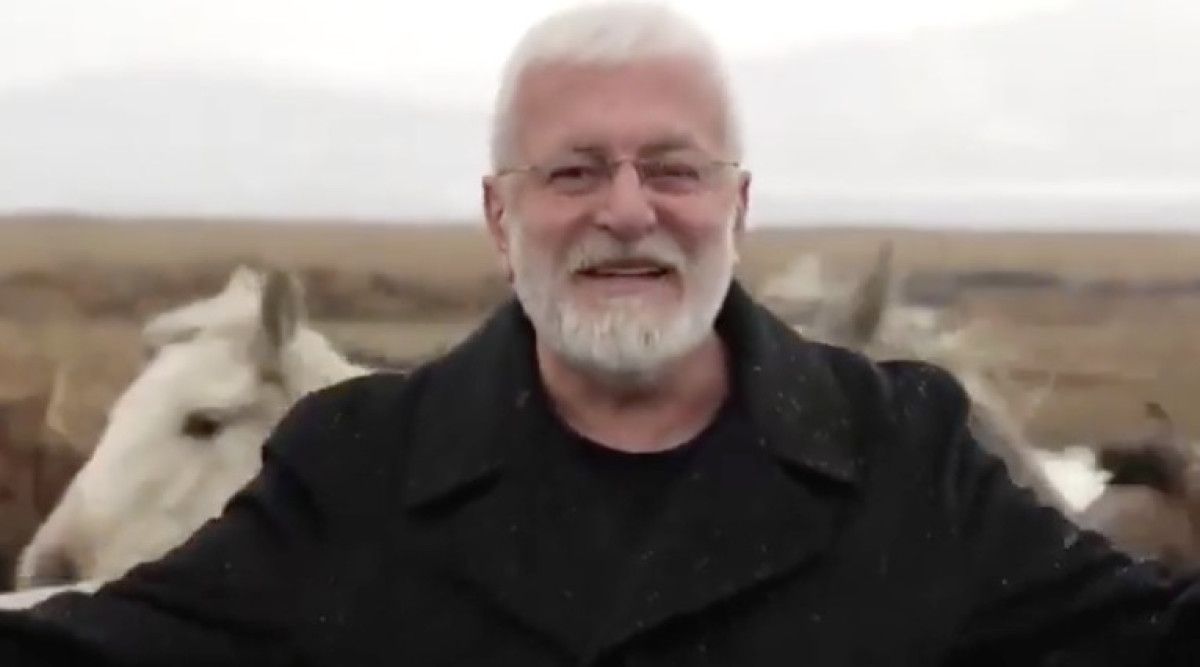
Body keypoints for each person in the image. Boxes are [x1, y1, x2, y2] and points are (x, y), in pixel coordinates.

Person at [4, 2, 1200, 665]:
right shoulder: (354, 471)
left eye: (673, 169)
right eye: (573, 170)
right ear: (500, 215)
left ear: (736, 208)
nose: (627, 211)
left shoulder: (906, 457)